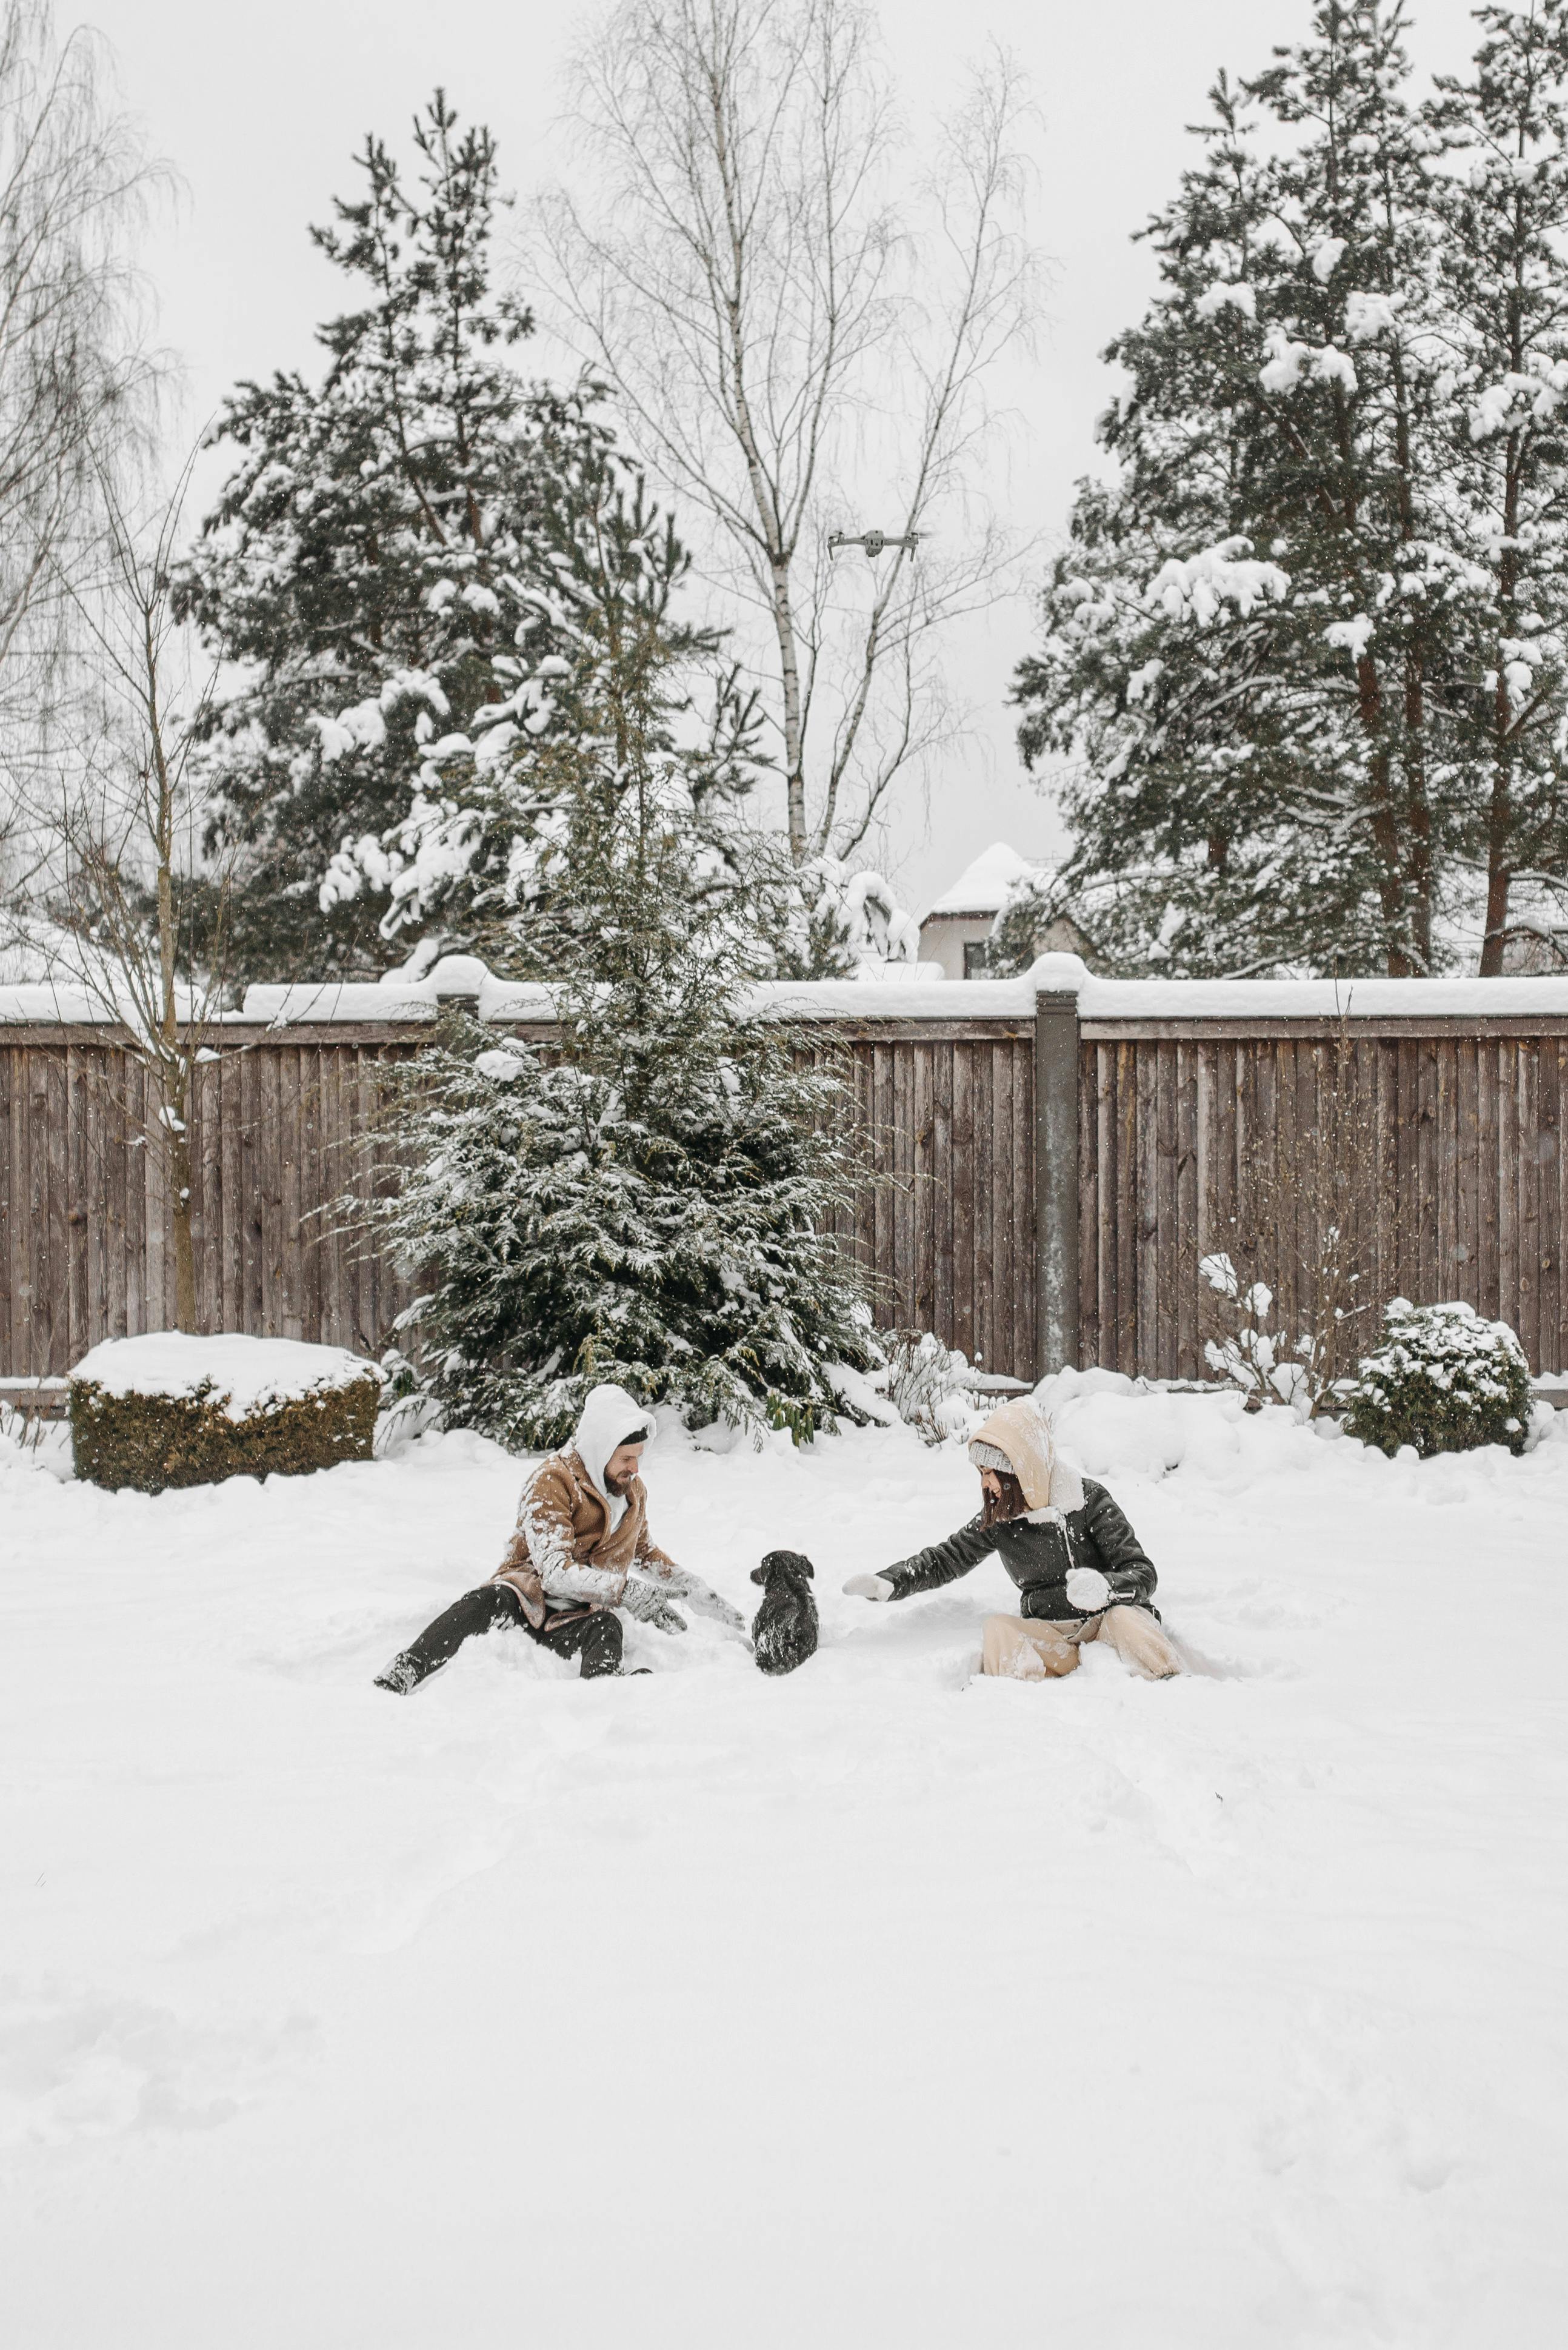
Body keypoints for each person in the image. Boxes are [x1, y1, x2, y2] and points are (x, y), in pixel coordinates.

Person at [375, 1382, 740, 1691]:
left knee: (607, 1625)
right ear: (600, 1450)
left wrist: (700, 1594)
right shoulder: (553, 1481)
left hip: (576, 1618)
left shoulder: (634, 1493)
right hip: (524, 1602)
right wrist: (626, 1591)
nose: (634, 1469)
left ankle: (606, 1691)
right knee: (486, 1600)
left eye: (638, 1458)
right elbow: (554, 1572)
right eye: (626, 1458)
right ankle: (406, 1669)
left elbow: (645, 1553)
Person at [842, 1397, 1182, 1680]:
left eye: (991, 1473)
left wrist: (1105, 1588)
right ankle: (1016, 1701)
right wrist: (889, 1582)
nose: (985, 1484)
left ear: (1021, 1471)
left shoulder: (1086, 1500)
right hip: (1054, 1637)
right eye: (981, 1474)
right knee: (998, 1628)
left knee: (1125, 1618)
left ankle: (1170, 1684)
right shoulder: (1001, 1518)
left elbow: (1143, 1573)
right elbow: (946, 1559)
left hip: (1109, 1627)